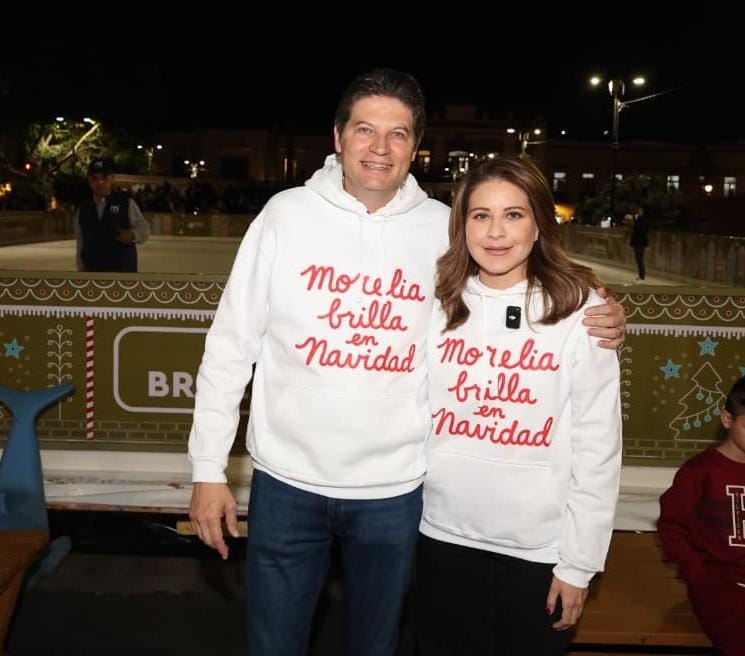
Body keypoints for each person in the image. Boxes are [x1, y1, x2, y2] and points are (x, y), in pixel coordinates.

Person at [187, 69, 626, 656]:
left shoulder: (444, 229)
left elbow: (518, 275)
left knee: (378, 646)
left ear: (415, 145)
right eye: (365, 130)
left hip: (395, 493)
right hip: (286, 483)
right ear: (338, 136)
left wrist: (597, 306)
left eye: (397, 134)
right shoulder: (284, 216)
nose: (380, 147)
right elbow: (229, 347)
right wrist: (208, 468)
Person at [415, 157, 622, 656]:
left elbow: (598, 448)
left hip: (540, 552)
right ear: (462, 225)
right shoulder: (434, 303)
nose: (495, 232)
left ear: (539, 223)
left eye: (513, 214)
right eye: (480, 215)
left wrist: (578, 564)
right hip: (442, 537)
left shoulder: (582, 313)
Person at [657, 376, 745, 656]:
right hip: (721, 589)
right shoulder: (700, 471)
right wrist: (700, 577)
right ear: (727, 419)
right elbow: (671, 528)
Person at [75, 158, 150, 272]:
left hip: (122, 274)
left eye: (104, 178)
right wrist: (81, 271)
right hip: (93, 275)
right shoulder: (83, 209)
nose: (100, 182)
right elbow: (81, 243)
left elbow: (144, 228)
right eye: (95, 178)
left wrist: (132, 235)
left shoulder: (126, 203)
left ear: (112, 179)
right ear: (89, 180)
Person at [628, 205, 650, 281]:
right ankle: (640, 276)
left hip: (641, 243)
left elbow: (640, 230)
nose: (639, 212)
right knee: (638, 259)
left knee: (640, 259)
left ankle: (642, 277)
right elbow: (634, 230)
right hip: (637, 242)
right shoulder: (638, 219)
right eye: (638, 211)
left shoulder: (643, 220)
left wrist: (634, 220)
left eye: (640, 211)